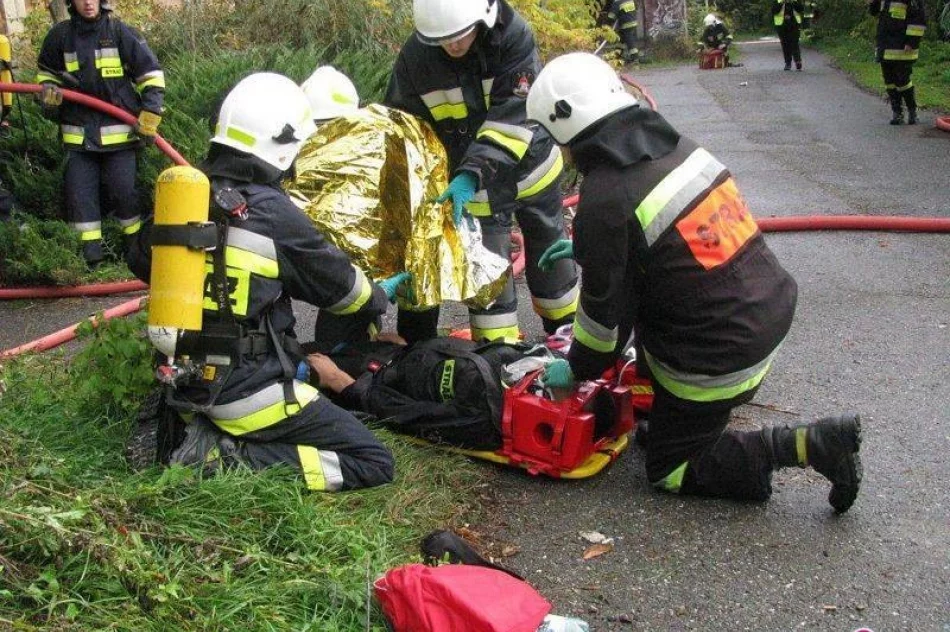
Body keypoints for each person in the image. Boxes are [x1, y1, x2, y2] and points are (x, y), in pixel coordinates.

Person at [525, 53, 863, 513]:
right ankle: (678, 416)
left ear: (566, 127)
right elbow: (668, 249)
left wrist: (574, 369)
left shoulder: (605, 198)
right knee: (657, 337)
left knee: (670, 469)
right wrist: (592, 250)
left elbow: (602, 336)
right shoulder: (678, 146)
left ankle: (812, 444)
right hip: (767, 310)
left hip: (720, 355)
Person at [126, 73, 409, 492]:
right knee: (373, 460)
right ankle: (223, 461)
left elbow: (138, 258)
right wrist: (378, 295)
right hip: (247, 393)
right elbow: (348, 295)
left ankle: (190, 430)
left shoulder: (187, 194)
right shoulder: (273, 212)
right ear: (283, 144)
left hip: (185, 379)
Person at [384, 0, 579, 344]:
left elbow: (514, 114)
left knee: (550, 254)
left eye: (461, 35)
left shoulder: (513, 36)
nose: (454, 45)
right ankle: (498, 356)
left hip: (530, 169)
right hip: (475, 188)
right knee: (488, 273)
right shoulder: (416, 57)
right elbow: (403, 125)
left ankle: (565, 335)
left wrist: (472, 171)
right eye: (444, 39)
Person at [35, 0, 165, 266]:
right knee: (80, 199)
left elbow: (151, 76)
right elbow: (45, 75)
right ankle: (90, 262)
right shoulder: (60, 37)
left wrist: (150, 116)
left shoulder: (120, 33)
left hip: (120, 140)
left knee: (125, 195)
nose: (87, 3)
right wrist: (47, 94)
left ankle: (138, 257)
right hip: (79, 139)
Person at [868, 0, 927, 125]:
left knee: (903, 81)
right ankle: (897, 112)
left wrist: (912, 42)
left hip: (903, 47)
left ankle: (912, 111)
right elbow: (874, 13)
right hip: (885, 46)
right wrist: (873, 3)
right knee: (889, 81)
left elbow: (919, 19)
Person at [772, 0, 805, 71]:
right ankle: (788, 63)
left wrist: (793, 3)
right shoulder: (778, 1)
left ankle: (798, 61)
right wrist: (781, 3)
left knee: (795, 42)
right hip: (781, 24)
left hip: (794, 24)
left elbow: (801, 9)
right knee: (785, 44)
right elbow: (774, 11)